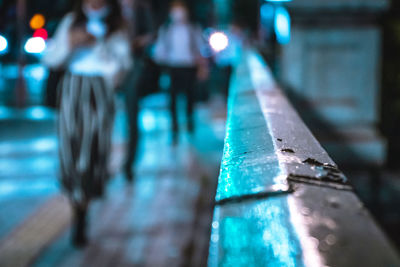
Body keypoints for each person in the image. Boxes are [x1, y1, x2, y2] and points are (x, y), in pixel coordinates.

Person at [42, 0, 131, 247]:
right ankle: (77, 211)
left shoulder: (116, 26)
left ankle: (85, 207)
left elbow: (123, 64)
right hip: (73, 88)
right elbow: (51, 58)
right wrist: (71, 43)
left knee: (94, 150)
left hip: (101, 91)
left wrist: (100, 45)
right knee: (71, 147)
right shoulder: (71, 23)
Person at [153, 0, 207, 144]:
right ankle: (174, 129)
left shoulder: (194, 28)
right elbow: (159, 52)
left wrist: (202, 67)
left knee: (190, 97)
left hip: (189, 67)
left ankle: (190, 126)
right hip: (173, 67)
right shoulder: (166, 30)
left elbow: (200, 49)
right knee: (173, 100)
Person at [120, 0, 156, 182]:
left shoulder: (142, 8)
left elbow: (151, 34)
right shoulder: (110, 8)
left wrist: (137, 43)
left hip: (134, 65)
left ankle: (129, 164)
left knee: (132, 117)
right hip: (109, 67)